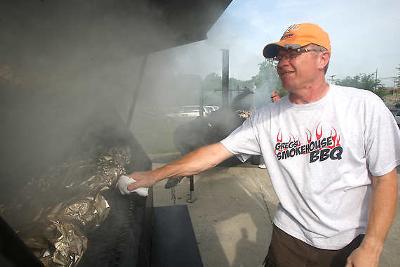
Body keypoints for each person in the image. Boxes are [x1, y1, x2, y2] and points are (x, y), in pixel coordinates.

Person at [124, 23, 400, 267]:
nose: (281, 63)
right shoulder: (267, 117)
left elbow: (385, 178)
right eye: (278, 57)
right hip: (290, 238)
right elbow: (213, 153)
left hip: (350, 239)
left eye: (292, 53)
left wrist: (372, 246)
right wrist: (153, 176)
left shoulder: (363, 106)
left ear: (322, 58)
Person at [259, 90, 282, 169]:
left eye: (274, 97)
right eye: (271, 98)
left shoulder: (282, 105)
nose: (272, 99)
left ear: (278, 96)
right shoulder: (273, 106)